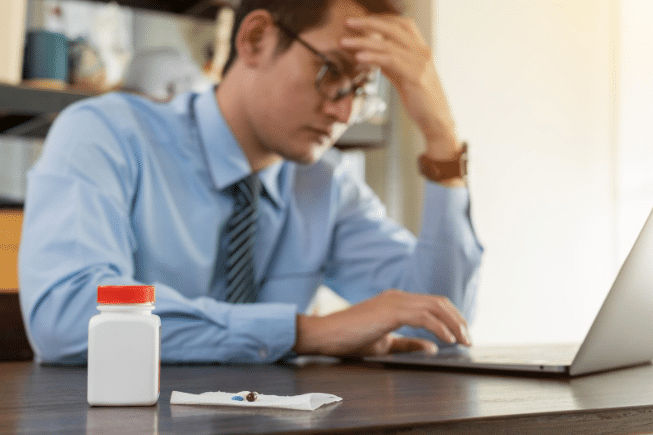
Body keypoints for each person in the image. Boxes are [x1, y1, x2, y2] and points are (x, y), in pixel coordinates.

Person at [19, 0, 483, 364]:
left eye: (360, 90)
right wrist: (307, 332)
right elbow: (68, 315)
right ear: (255, 39)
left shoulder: (326, 185)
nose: (344, 112)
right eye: (333, 72)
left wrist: (442, 140)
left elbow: (437, 330)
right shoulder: (106, 133)